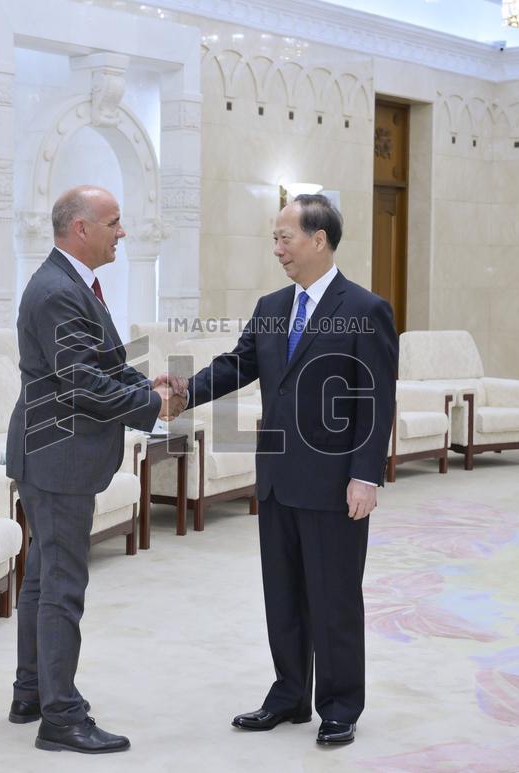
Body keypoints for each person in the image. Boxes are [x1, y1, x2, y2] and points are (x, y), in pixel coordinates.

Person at [157, 194, 397, 746]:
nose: (277, 249)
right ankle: (289, 694)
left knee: (334, 595)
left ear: (319, 239)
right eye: (274, 238)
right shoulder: (270, 306)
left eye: (285, 237)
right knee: (283, 592)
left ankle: (339, 704)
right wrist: (185, 390)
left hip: (336, 483)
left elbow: (375, 400)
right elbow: (238, 364)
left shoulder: (365, 309)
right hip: (277, 476)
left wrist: (367, 475)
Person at [5, 185, 185, 754]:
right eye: (114, 222)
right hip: (58, 456)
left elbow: (97, 362)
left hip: (51, 451)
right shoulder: (58, 290)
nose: (123, 232)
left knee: (40, 577)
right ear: (80, 229)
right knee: (62, 585)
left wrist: (144, 385)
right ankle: (60, 717)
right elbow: (80, 383)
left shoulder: (71, 284)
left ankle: (31, 689)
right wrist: (154, 406)